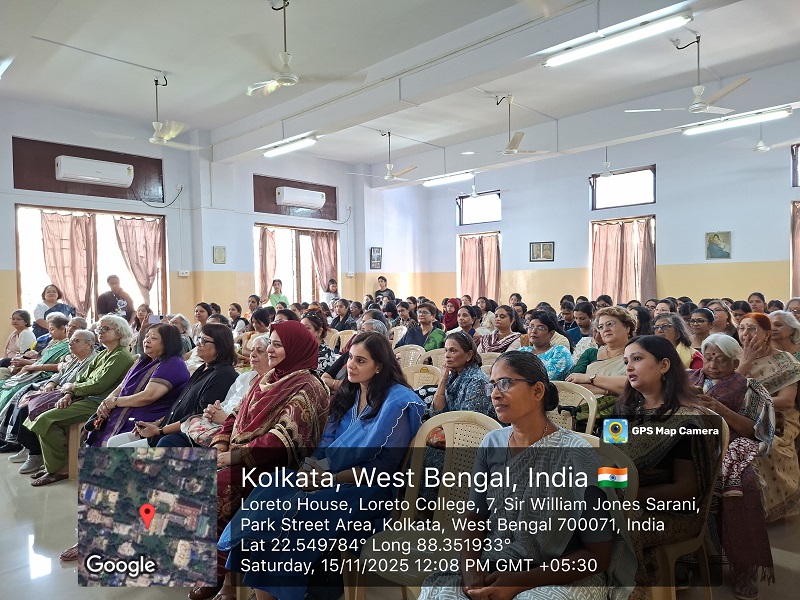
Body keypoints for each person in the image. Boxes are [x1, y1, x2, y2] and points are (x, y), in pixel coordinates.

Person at [219, 331, 425, 600]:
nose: (351, 365)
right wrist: (312, 469)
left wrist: (329, 478)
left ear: (380, 366)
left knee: (295, 515)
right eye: (350, 358)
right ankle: (261, 594)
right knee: (273, 489)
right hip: (329, 475)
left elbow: (382, 470)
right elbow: (326, 442)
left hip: (367, 489)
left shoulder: (397, 403)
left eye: (361, 361)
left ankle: (275, 593)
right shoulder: (349, 394)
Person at [419, 351, 635, 600]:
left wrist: (519, 581)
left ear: (537, 391)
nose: (495, 394)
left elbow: (598, 555)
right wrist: (471, 571)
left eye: (505, 383)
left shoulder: (576, 455)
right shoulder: (492, 443)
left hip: (561, 572)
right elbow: (475, 517)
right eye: (492, 385)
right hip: (497, 559)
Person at [189, 322, 333, 600]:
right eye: (271, 343)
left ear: (295, 348)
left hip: (277, 468)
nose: (270, 350)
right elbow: (235, 416)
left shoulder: (307, 386)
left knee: (213, 488)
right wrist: (221, 445)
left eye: (278, 345)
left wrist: (233, 457)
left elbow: (282, 440)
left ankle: (218, 572)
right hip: (241, 457)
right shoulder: (269, 377)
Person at [614, 335, 717, 599]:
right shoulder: (624, 410)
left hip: (673, 512)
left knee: (608, 527)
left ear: (664, 365)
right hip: (626, 500)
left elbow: (686, 489)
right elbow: (612, 461)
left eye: (637, 359)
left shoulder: (687, 420)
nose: (629, 367)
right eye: (626, 361)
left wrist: (628, 497)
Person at [687, 333, 775, 598]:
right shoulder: (688, 381)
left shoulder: (750, 389)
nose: (712, 365)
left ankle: (744, 567)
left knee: (743, 486)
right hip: (688, 447)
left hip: (731, 448)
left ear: (736, 363)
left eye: (721, 360)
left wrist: (721, 410)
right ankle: (682, 557)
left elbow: (754, 431)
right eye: (709, 358)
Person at [23, 315, 136, 486]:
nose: (100, 332)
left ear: (119, 333)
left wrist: (72, 389)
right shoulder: (104, 353)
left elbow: (99, 384)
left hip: (98, 403)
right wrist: (69, 394)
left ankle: (60, 469)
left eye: (105, 329)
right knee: (39, 414)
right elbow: (83, 377)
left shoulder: (120, 356)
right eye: (99, 329)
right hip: (83, 397)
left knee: (46, 419)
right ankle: (56, 466)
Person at [109, 323, 239, 448]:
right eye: (198, 338)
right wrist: (157, 423)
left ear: (220, 345)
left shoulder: (224, 375)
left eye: (204, 340)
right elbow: (179, 405)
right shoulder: (203, 369)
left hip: (182, 436)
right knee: (114, 442)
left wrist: (160, 431)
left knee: (118, 453)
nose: (198, 343)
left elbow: (198, 415)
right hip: (166, 428)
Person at [2, 329, 98, 471]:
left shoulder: (92, 360)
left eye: (76, 340)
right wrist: (50, 384)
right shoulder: (75, 358)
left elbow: (78, 384)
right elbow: (58, 375)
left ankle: (36, 453)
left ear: (88, 345)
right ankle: (28, 447)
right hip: (57, 391)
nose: (71, 343)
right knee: (22, 400)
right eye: (71, 340)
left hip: (71, 396)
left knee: (28, 409)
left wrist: (59, 390)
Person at [735, 313, 800, 521]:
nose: (745, 333)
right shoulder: (732, 357)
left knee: (759, 447)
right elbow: (726, 393)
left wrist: (749, 403)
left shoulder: (785, 360)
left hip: (779, 418)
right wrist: (745, 363)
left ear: (766, 333)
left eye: (752, 328)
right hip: (738, 417)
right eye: (742, 328)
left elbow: (786, 402)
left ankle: (767, 509)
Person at [85, 324, 191, 447]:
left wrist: (115, 402)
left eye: (154, 338)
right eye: (147, 336)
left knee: (114, 444)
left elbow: (148, 396)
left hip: (148, 421)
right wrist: (107, 402)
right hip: (124, 413)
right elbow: (122, 386)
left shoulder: (173, 364)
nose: (147, 340)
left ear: (168, 342)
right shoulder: (143, 361)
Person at [566, 306, 633, 422]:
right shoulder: (593, 353)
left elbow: (632, 385)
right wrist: (610, 389)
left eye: (610, 324)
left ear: (627, 327)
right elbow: (574, 383)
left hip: (620, 415)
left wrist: (590, 378)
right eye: (601, 327)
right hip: (581, 410)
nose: (605, 329)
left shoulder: (637, 354)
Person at [0, 314, 71, 415]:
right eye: (49, 330)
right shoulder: (54, 343)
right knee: (3, 384)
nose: (50, 333)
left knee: (12, 391)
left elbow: (59, 366)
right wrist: (27, 364)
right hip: (35, 370)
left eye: (52, 329)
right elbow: (41, 360)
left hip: (44, 375)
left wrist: (30, 367)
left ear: (63, 328)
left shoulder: (68, 346)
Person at [519, 311, 575, 381]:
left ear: (551, 333)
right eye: (531, 326)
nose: (533, 331)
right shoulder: (522, 351)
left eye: (540, 328)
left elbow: (546, 378)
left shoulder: (560, 352)